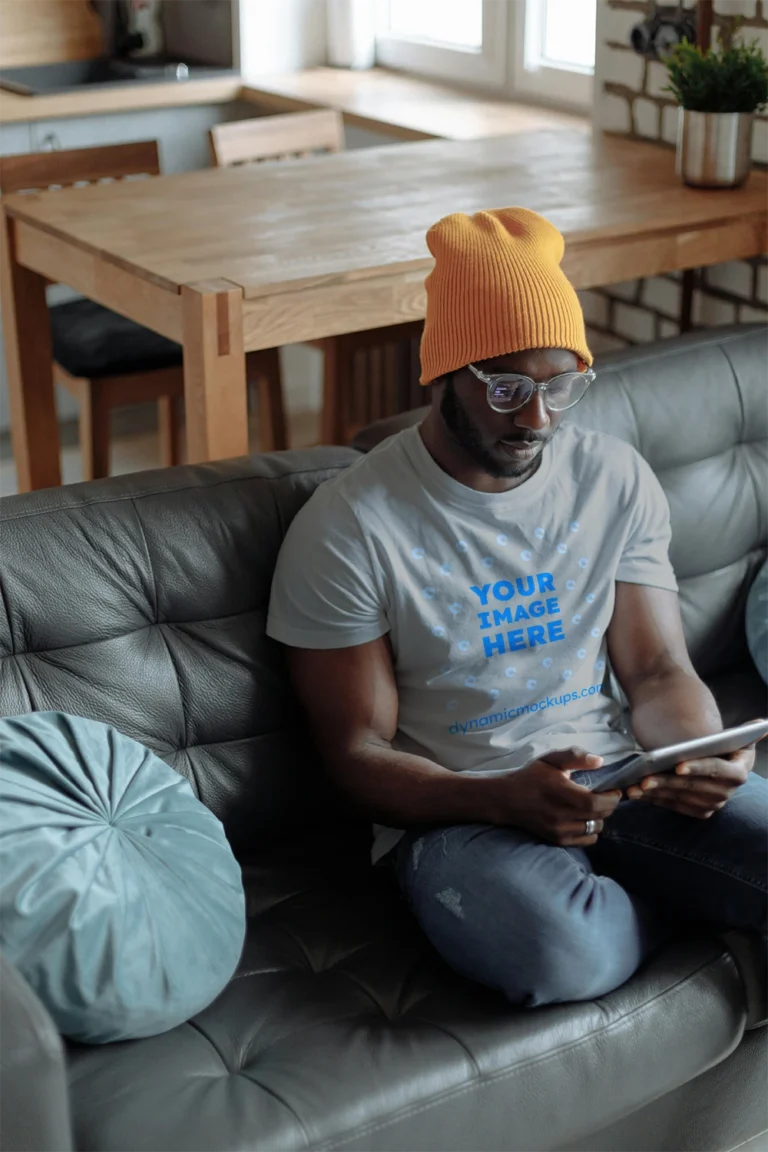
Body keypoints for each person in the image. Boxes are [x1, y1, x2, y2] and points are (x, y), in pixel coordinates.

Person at [267, 206, 768, 1007]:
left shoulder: (614, 478)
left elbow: (656, 668)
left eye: (561, 385)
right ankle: (705, 904)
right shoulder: (348, 527)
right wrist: (496, 796)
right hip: (459, 817)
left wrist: (698, 755)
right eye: (505, 388)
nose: (536, 418)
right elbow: (355, 753)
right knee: (563, 953)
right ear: (441, 375)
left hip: (621, 780)